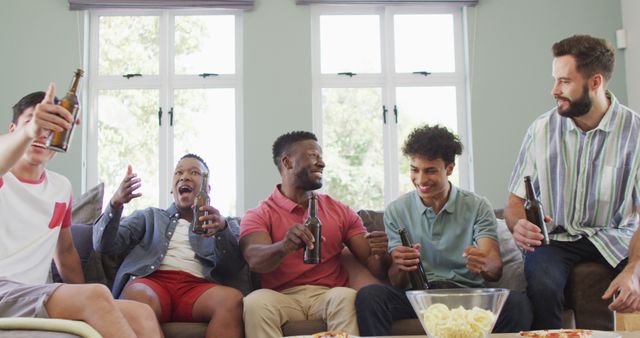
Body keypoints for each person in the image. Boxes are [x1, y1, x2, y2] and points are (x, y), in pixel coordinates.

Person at [0, 85, 162, 338]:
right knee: (97, 295)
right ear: (13, 131)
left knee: (141, 314)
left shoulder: (60, 188)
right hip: (3, 292)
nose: (42, 134)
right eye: (34, 123)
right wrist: (29, 132)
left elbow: (65, 253)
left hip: (34, 294)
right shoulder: (3, 177)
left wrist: (87, 301)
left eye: (50, 128)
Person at [505, 34, 640, 329]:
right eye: (555, 80)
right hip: (555, 238)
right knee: (542, 286)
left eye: (564, 81)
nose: (554, 90)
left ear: (595, 82)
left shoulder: (636, 133)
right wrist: (518, 225)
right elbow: (514, 204)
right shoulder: (541, 130)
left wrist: (634, 269)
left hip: (615, 236)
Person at [355, 125, 532, 336]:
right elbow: (396, 281)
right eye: (414, 169)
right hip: (419, 296)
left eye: (430, 170)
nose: (420, 180)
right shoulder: (397, 210)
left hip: (467, 296)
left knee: (517, 303)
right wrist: (401, 264)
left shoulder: (476, 206)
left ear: (449, 169)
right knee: (370, 296)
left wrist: (484, 263)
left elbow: (495, 270)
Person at [240, 131, 389, 337]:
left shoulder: (340, 211)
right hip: (280, 296)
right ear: (287, 162)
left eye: (320, 157)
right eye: (313, 156)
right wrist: (284, 246)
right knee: (255, 302)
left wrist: (383, 253)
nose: (322, 163)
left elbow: (373, 262)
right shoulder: (259, 213)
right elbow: (255, 259)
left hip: (328, 294)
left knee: (346, 297)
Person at [93, 153, 245, 338]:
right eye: (178, 172)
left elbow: (233, 268)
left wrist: (222, 230)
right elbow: (103, 246)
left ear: (207, 188)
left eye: (194, 172)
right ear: (173, 189)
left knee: (232, 300)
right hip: (152, 282)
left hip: (197, 289)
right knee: (138, 296)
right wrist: (115, 203)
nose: (185, 176)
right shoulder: (149, 217)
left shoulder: (223, 224)